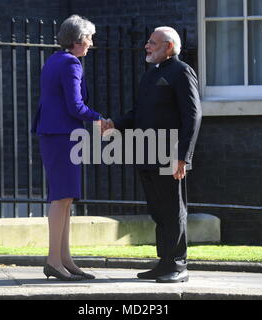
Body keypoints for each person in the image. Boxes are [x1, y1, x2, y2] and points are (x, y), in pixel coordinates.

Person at [102, 26, 202, 283]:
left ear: (169, 46)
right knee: (158, 211)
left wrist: (183, 157)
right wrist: (114, 123)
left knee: (173, 210)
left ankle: (178, 266)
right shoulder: (149, 76)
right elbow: (137, 114)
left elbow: (193, 116)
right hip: (146, 152)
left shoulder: (182, 72)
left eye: (152, 43)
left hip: (170, 154)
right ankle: (164, 262)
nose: (147, 46)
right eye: (147, 42)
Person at [32, 15, 106, 281]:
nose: (91, 43)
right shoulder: (72, 64)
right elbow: (76, 106)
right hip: (63, 135)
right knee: (61, 198)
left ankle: (65, 259)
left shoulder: (53, 60)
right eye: (89, 38)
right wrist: (100, 118)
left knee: (65, 198)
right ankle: (54, 260)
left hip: (54, 133)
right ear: (77, 41)